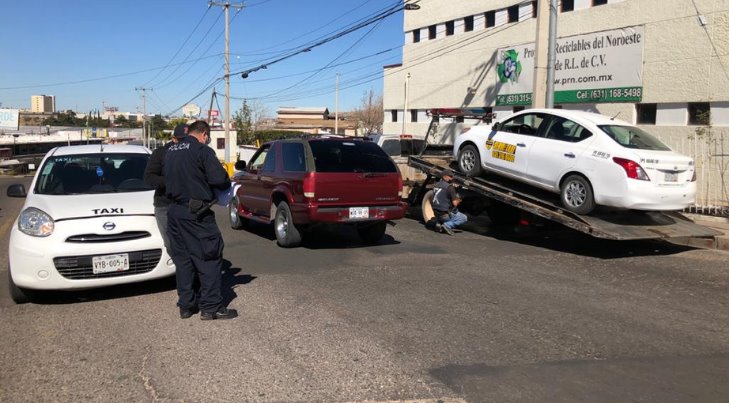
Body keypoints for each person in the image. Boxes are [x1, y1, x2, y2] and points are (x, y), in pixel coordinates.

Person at [164, 120, 237, 320]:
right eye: (208, 137)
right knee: (209, 258)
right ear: (204, 134)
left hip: (174, 213)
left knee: (184, 261)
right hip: (196, 214)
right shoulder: (201, 151)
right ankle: (211, 307)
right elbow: (220, 180)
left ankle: (186, 305)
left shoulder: (171, 150)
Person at [143, 124, 187, 253]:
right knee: (172, 245)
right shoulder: (161, 153)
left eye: (187, 140)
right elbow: (149, 178)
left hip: (187, 206)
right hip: (165, 205)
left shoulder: (193, 153)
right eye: (181, 140)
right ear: (174, 139)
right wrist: (172, 182)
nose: (184, 144)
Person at [431, 169, 468, 235]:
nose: (452, 178)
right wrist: (459, 199)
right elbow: (455, 204)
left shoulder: (436, 185)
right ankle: (447, 225)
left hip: (435, 212)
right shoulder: (450, 187)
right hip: (445, 214)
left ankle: (439, 222)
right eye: (450, 176)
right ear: (444, 176)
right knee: (464, 218)